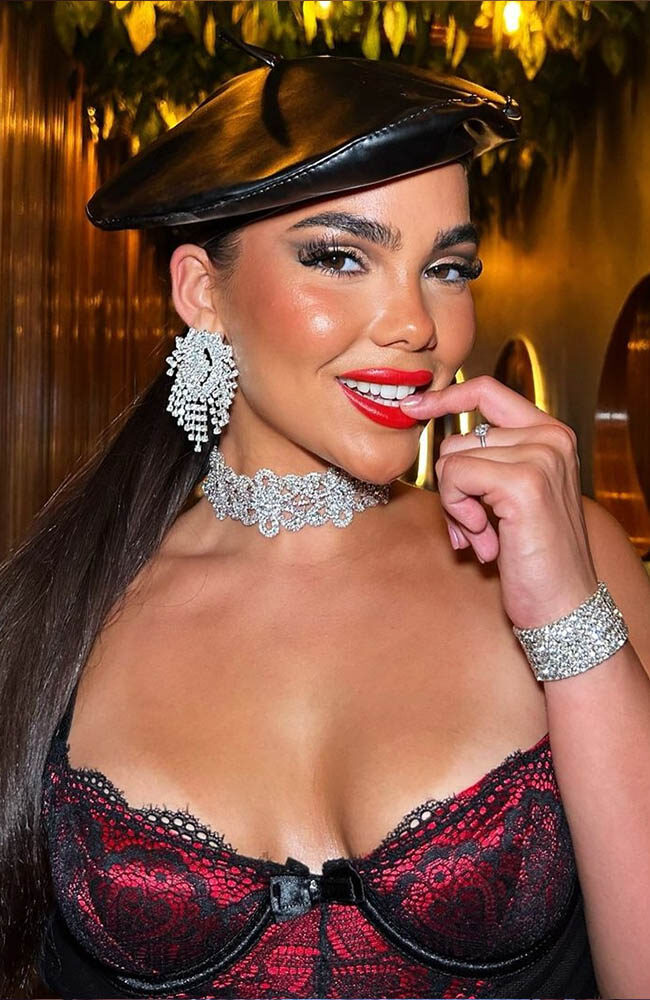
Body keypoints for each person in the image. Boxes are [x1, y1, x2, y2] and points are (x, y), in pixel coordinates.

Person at [1, 30, 649, 1000]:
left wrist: (566, 616)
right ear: (202, 291)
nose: (417, 325)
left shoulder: (568, 557)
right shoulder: (61, 607)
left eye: (447, 267)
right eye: (342, 258)